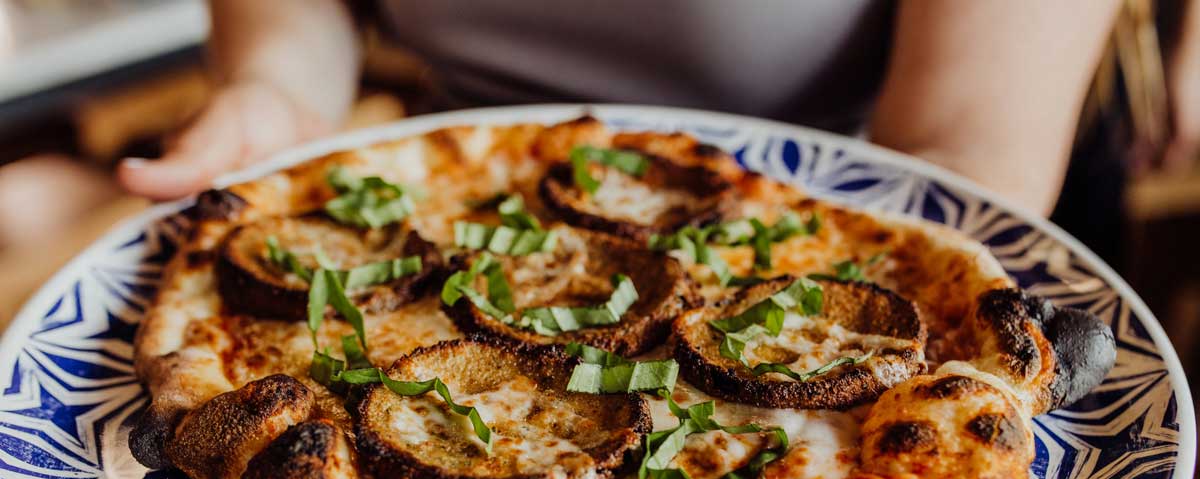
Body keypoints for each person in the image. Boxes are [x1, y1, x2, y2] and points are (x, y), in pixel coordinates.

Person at [117, 0, 1123, 215]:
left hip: (836, 232)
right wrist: (274, 92)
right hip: (454, 226)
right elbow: (299, 17)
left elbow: (960, 160)